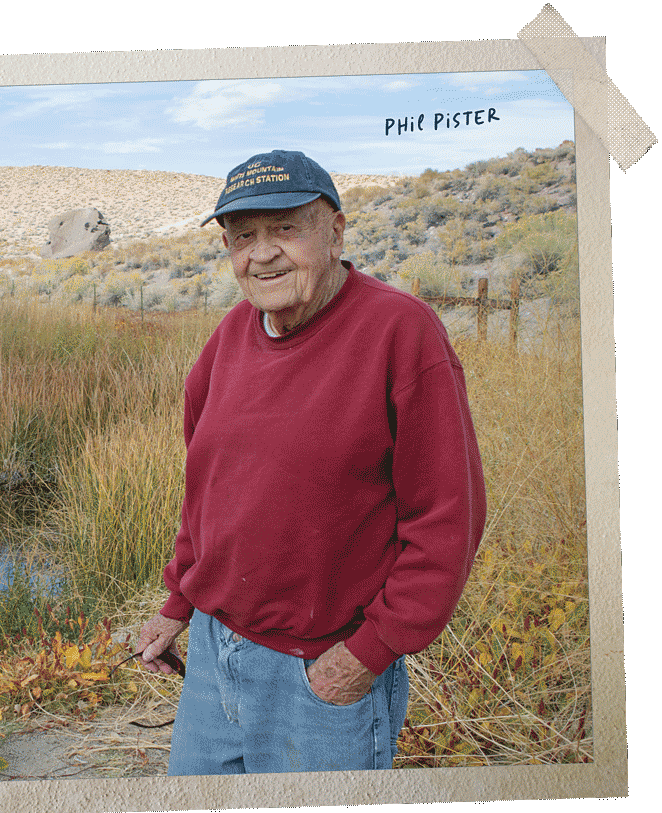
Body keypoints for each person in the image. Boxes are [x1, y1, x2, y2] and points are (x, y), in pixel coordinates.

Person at [135, 150, 487, 774]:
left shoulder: (400, 332)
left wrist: (367, 654)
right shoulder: (231, 335)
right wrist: (178, 603)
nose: (261, 254)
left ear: (336, 232)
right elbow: (208, 493)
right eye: (243, 237)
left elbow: (446, 518)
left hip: (320, 668)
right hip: (216, 655)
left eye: (285, 229)